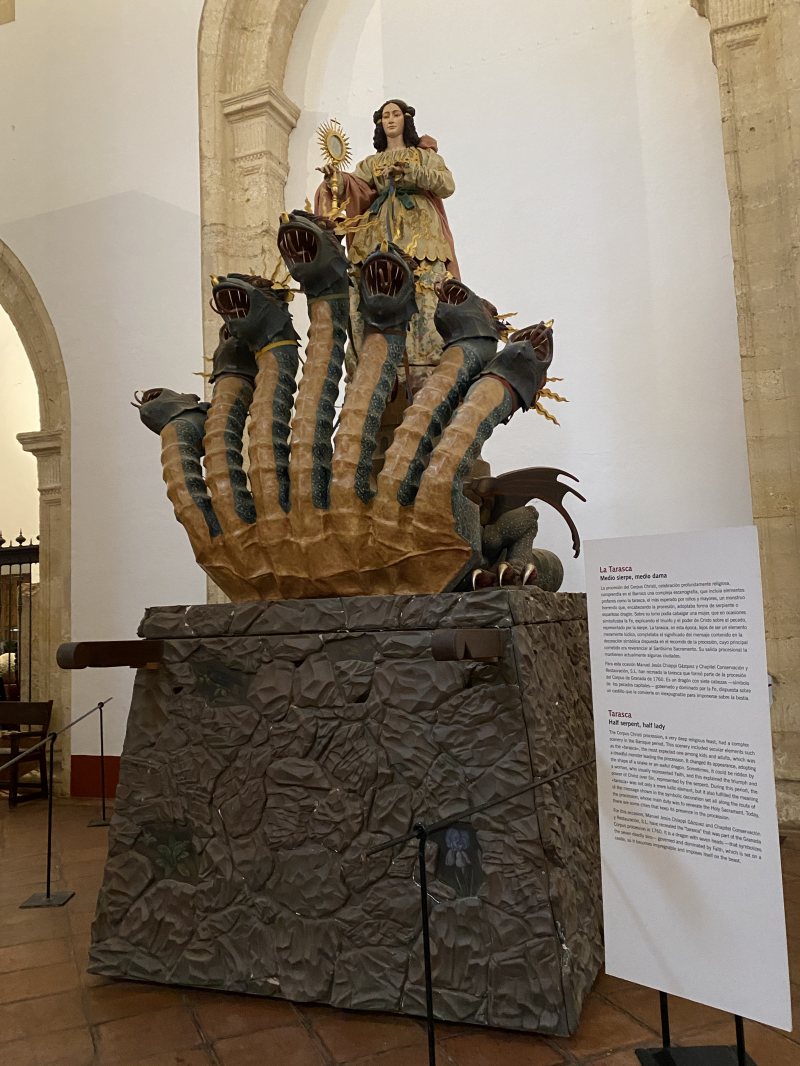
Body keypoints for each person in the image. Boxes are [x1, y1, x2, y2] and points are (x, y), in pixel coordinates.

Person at [315, 99, 459, 392]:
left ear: (406, 119)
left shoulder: (424, 156)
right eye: (385, 116)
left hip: (421, 231)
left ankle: (425, 364)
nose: (390, 119)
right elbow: (358, 188)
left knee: (426, 292)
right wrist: (336, 180)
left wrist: (411, 173)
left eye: (395, 114)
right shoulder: (371, 163)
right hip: (378, 232)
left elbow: (447, 185)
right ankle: (375, 359)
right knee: (368, 286)